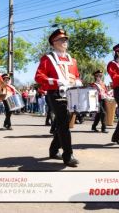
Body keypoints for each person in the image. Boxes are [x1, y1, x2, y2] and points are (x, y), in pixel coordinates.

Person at [35, 29, 82, 167]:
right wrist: (55, 81)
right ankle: (68, 155)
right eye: (61, 40)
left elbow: (77, 76)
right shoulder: (47, 58)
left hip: (71, 93)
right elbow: (38, 77)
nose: (65, 41)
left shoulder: (72, 60)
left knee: (64, 123)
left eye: (66, 39)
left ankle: (53, 149)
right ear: (53, 43)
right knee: (63, 122)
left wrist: (78, 81)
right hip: (55, 93)